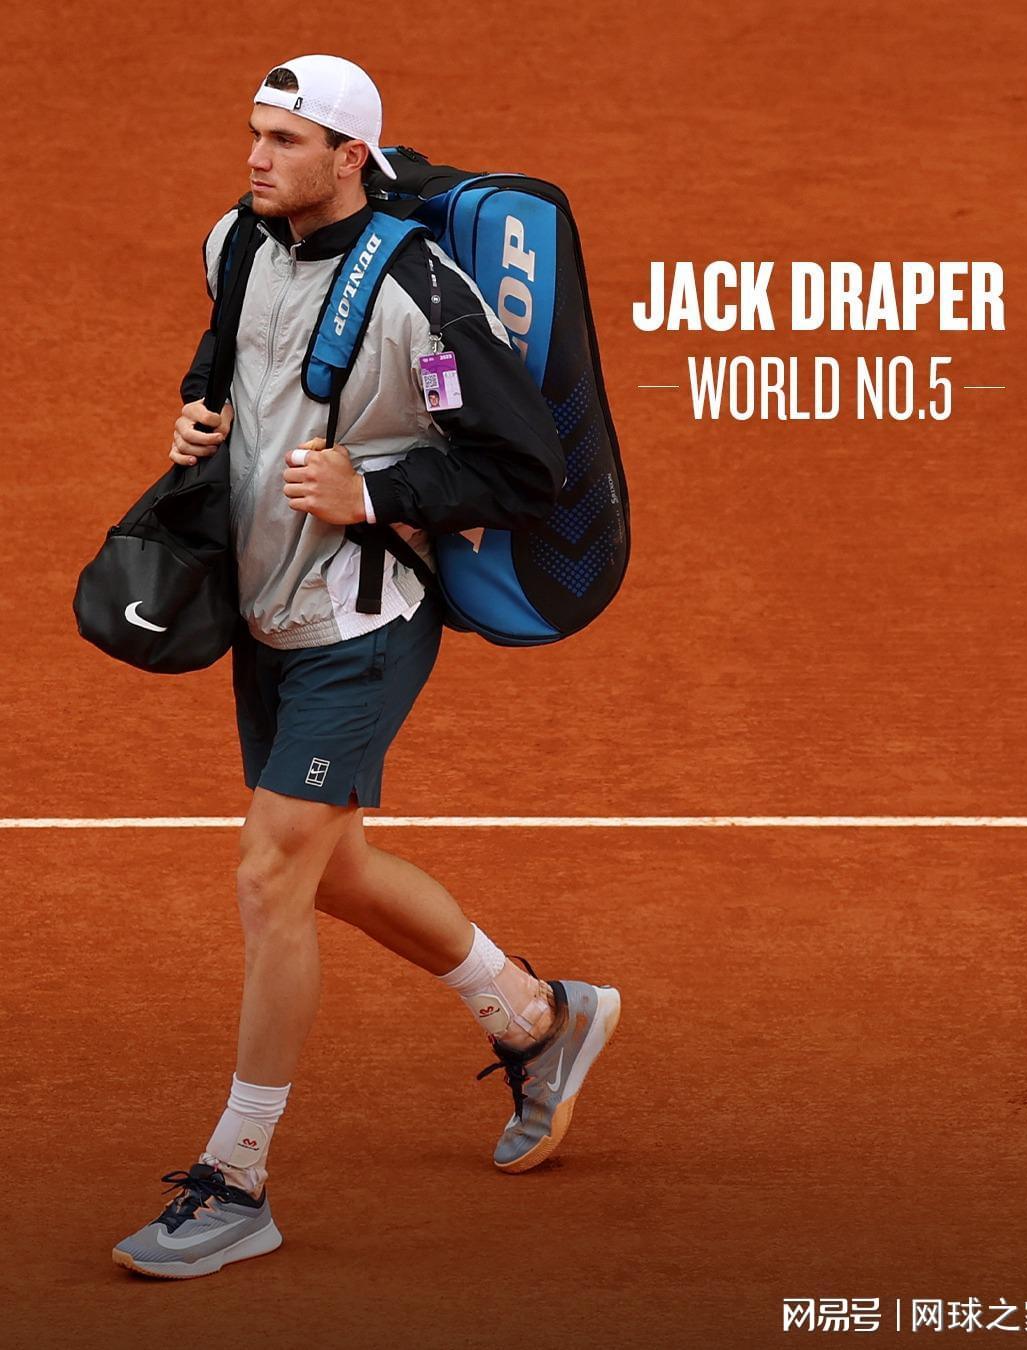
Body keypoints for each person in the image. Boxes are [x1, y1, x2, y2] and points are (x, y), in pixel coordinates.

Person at [112, 54, 621, 1281]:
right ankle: (538, 1017)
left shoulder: (420, 294)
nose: (256, 157)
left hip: (363, 622)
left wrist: (374, 491)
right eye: (254, 132)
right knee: (331, 869)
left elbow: (525, 469)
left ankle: (237, 1181)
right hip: (267, 611)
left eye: (285, 141)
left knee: (270, 875)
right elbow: (228, 353)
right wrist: (196, 410)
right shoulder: (237, 241)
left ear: (350, 157)